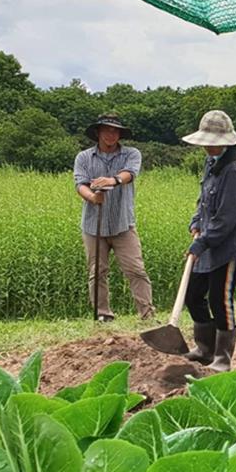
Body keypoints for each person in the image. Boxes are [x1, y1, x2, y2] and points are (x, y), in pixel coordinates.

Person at [181, 111, 236, 372]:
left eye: (214, 141)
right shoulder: (212, 161)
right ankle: (204, 348)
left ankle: (223, 357)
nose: (208, 146)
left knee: (220, 299)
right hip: (209, 239)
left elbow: (227, 218)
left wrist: (201, 243)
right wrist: (195, 223)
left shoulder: (235, 170)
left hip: (229, 245)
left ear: (228, 140)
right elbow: (203, 200)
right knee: (192, 294)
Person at [73, 113, 154, 322]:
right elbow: (79, 184)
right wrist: (92, 196)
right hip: (93, 225)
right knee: (97, 272)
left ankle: (147, 314)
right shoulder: (84, 157)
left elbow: (130, 174)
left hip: (123, 223)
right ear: (98, 132)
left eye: (115, 130)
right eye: (107, 130)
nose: (111, 134)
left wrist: (113, 180)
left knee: (136, 269)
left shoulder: (131, 154)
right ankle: (103, 315)